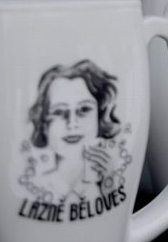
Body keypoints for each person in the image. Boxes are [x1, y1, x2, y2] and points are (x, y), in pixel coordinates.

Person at [23, 60, 126, 202]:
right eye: (59, 112)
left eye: (84, 109)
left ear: (99, 116)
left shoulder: (107, 183)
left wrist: (110, 185)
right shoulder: (34, 186)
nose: (72, 124)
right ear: (44, 124)